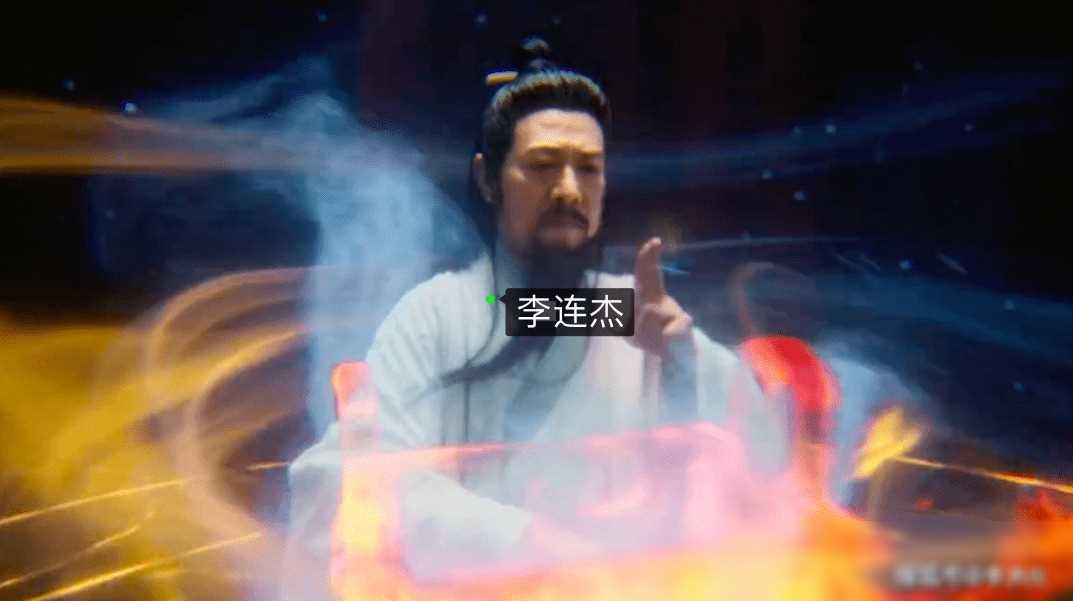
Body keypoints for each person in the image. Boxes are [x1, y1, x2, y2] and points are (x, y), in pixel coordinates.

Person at [282, 38, 788, 596]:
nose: (568, 190)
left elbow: (766, 462)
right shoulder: (439, 316)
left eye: (588, 170)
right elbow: (361, 482)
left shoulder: (625, 310)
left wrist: (680, 362)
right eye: (542, 166)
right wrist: (531, 543)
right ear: (488, 179)